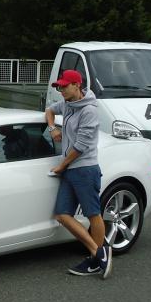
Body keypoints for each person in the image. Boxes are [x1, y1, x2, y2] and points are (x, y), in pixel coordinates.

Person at [45, 69, 112, 279]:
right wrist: (52, 128)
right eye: (59, 87)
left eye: (65, 86)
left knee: (93, 214)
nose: (61, 90)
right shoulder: (67, 104)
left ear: (77, 85)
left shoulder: (89, 111)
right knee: (62, 215)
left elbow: (81, 146)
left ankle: (94, 260)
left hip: (85, 169)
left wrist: (62, 166)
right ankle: (99, 253)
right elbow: (49, 111)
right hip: (70, 169)